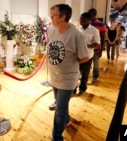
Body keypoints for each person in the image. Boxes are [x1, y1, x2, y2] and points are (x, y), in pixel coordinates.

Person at [48, 4, 89, 141]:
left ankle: (57, 137)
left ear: (63, 17)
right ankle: (67, 120)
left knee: (59, 109)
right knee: (62, 104)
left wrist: (70, 63)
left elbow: (84, 57)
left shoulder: (77, 35)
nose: (51, 17)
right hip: (54, 76)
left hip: (68, 78)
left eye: (53, 15)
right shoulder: (51, 31)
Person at [77, 12, 100, 95]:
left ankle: (82, 89)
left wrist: (86, 45)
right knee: (76, 73)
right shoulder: (78, 30)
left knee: (84, 74)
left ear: (89, 20)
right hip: (78, 55)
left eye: (83, 19)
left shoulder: (94, 30)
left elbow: (97, 43)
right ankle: (73, 89)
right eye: (80, 19)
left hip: (88, 56)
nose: (81, 21)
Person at [88, 8, 107, 84]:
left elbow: (103, 38)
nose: (89, 17)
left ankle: (95, 77)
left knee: (96, 64)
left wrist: (102, 50)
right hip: (88, 49)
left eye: (91, 15)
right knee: (87, 64)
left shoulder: (101, 24)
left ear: (94, 15)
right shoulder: (88, 23)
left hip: (96, 49)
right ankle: (85, 76)